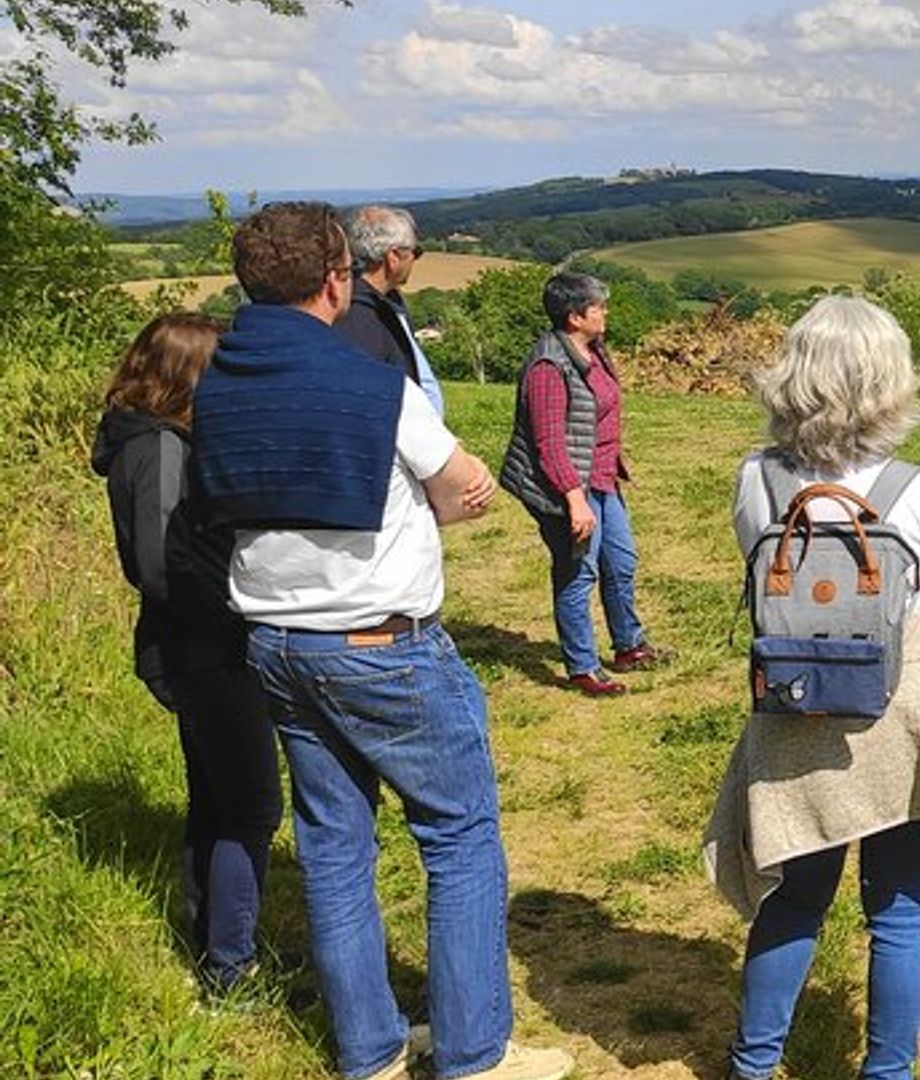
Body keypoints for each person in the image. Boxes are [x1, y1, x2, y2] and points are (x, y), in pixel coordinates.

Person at [192, 202, 573, 1080]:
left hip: (277, 646)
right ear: (336, 281)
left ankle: (370, 1054)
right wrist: (454, 497)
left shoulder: (219, 385)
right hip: (381, 643)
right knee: (460, 834)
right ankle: (475, 1054)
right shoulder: (373, 388)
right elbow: (453, 489)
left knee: (333, 850)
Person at [704, 295, 920, 1080]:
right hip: (904, 715)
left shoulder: (758, 479)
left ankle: (753, 1064)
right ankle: (886, 1073)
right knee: (903, 906)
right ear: (891, 384)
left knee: (794, 893)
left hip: (795, 710)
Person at [92, 313, 282, 995]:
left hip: (188, 644)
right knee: (251, 808)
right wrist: (239, 606)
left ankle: (209, 939)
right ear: (187, 375)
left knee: (214, 797)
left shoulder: (144, 439)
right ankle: (232, 968)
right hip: (203, 647)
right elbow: (161, 563)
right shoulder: (162, 449)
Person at [498, 271, 667, 696]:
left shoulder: (592, 350)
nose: (606, 312)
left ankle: (628, 645)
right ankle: (582, 667)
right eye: (599, 307)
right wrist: (575, 501)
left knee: (621, 562)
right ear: (574, 317)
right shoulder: (548, 367)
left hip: (601, 478)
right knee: (577, 573)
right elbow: (550, 442)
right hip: (566, 485)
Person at [335, 204, 446, 415]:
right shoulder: (360, 316)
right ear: (393, 257)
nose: (415, 259)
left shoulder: (385, 301)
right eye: (415, 251)